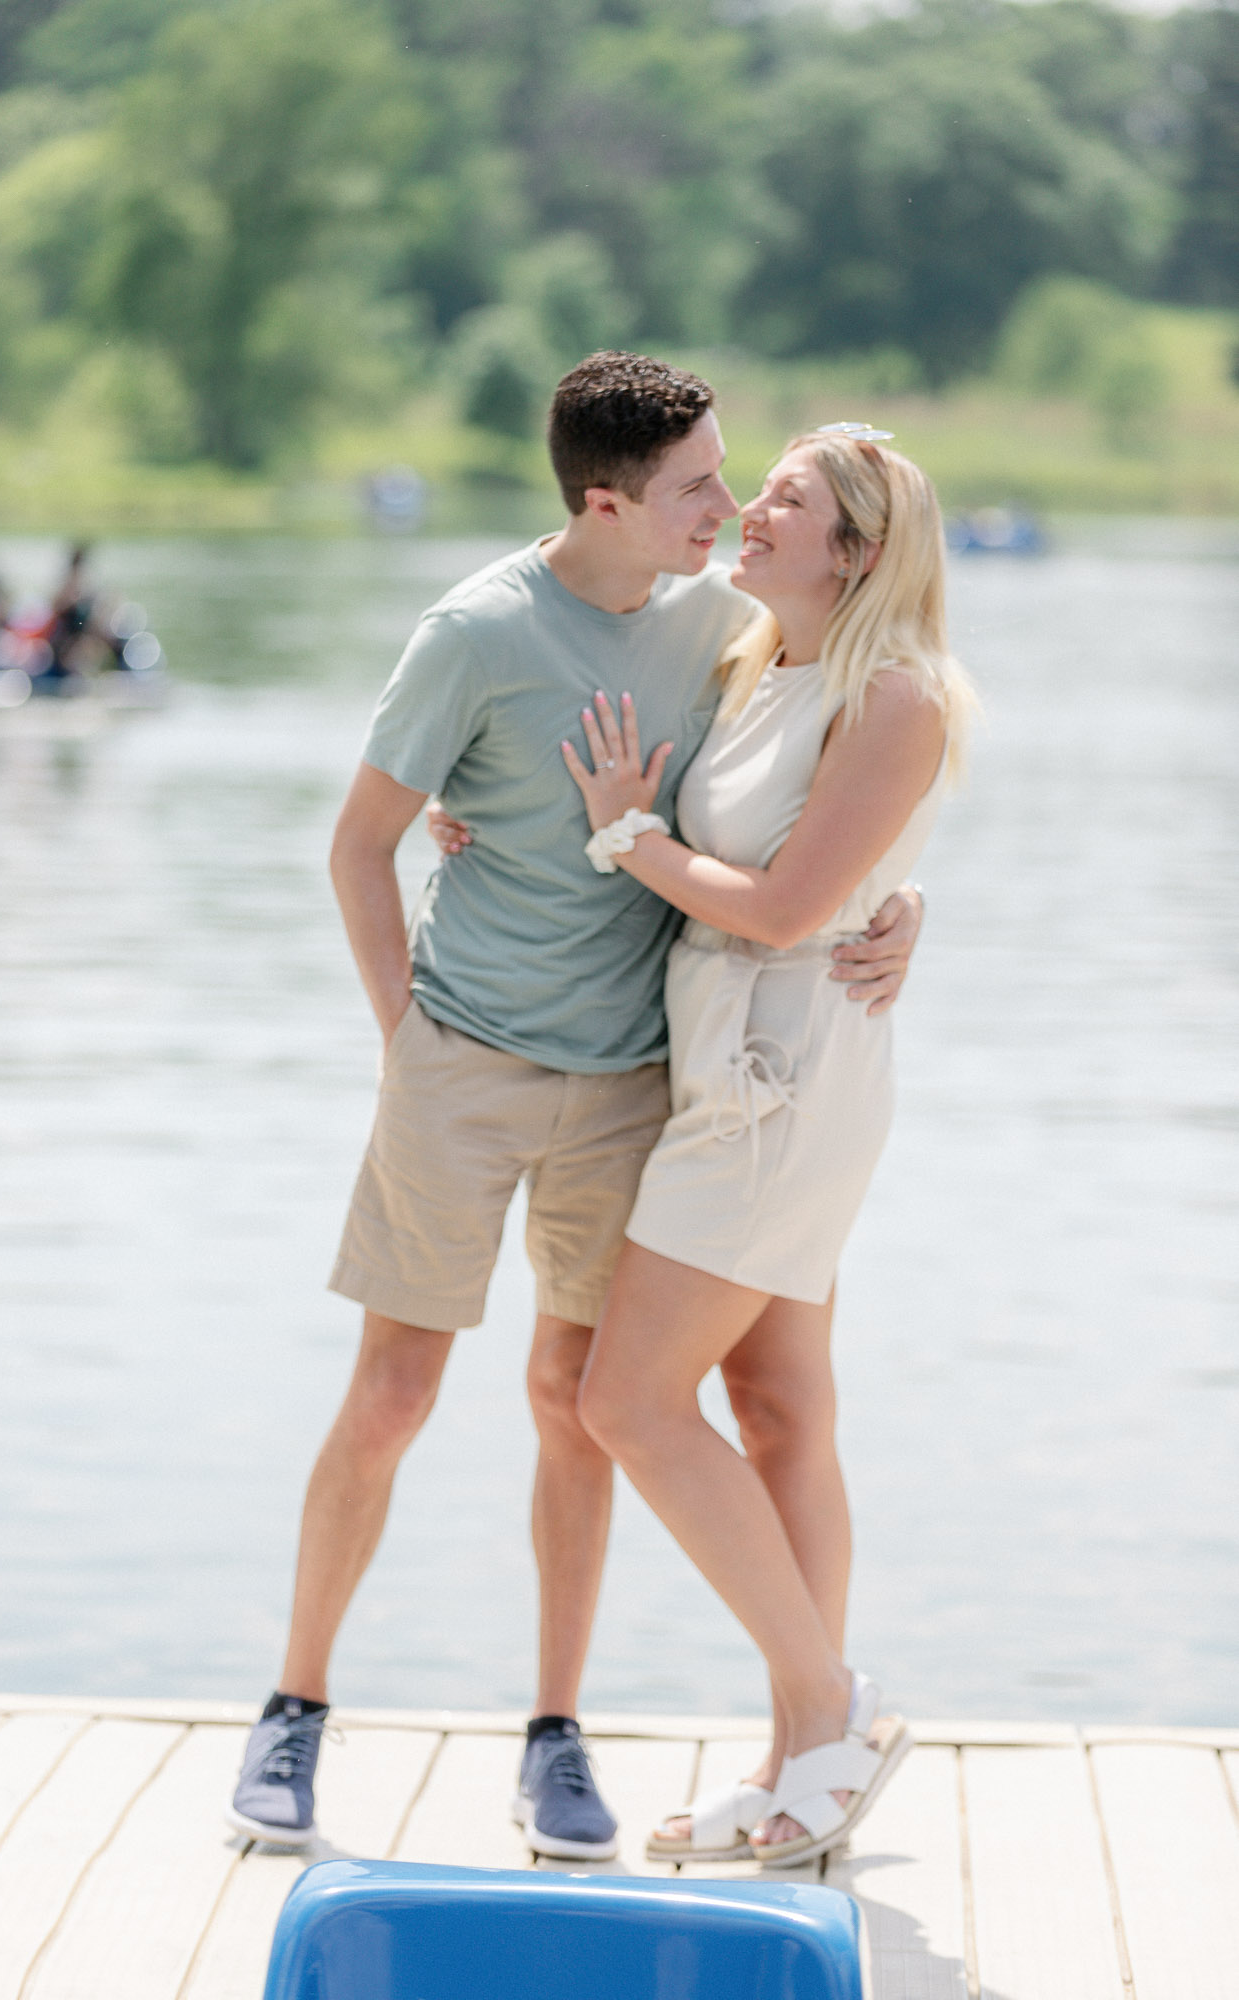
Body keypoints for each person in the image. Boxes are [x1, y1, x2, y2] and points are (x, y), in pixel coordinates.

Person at [227, 355, 924, 1856]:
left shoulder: (727, 621)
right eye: (695, 489)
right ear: (603, 501)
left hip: (637, 1085)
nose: (727, 509)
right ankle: (294, 1708)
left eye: (739, 483)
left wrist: (898, 905)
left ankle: (557, 1734)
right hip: (461, 1062)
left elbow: (823, 788)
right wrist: (403, 1033)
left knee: (577, 1408)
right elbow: (362, 846)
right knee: (393, 1400)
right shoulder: (475, 630)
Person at [554, 423, 973, 1865]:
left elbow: (793, 907)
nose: (747, 510)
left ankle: (823, 1696)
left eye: (783, 500)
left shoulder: (896, 694)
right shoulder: (750, 660)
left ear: (853, 550)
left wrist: (629, 838)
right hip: (735, 1068)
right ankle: (808, 1764)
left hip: (785, 1083)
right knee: (782, 1406)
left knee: (628, 1401)